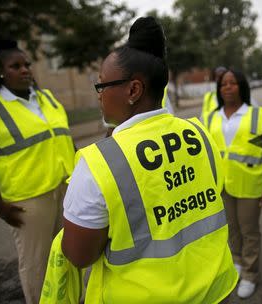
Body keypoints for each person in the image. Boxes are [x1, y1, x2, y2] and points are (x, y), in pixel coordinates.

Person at [58, 16, 238, 303]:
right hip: (216, 289)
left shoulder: (97, 163)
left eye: (102, 85)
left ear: (133, 90)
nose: (99, 95)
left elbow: (78, 256)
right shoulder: (198, 132)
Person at [0, 39, 75, 304]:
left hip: (65, 190)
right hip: (28, 201)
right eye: (16, 66)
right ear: (0, 72)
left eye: (27, 64)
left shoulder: (46, 98)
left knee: (68, 254)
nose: (25, 69)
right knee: (36, 264)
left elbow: (65, 140)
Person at [203, 68, 262, 299]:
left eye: (233, 83)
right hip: (222, 185)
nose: (227, 87)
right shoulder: (212, 117)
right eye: (224, 83)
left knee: (250, 231)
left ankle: (250, 274)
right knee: (231, 229)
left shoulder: (258, 114)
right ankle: (236, 262)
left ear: (242, 87)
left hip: (250, 184)